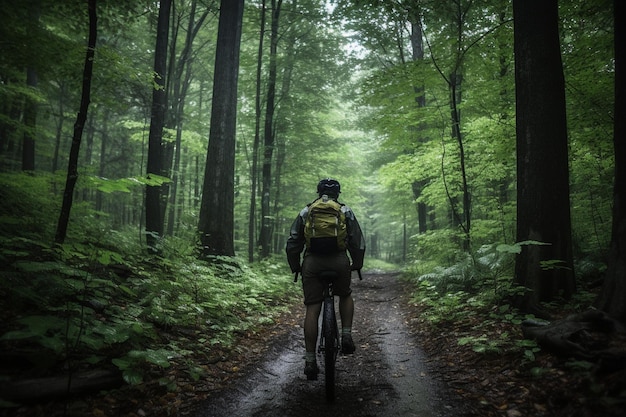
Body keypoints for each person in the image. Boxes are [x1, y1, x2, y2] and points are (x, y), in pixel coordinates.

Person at [286, 178, 366, 380]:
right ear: (337, 193)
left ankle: (310, 360)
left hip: (312, 263)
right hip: (339, 262)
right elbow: (357, 240)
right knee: (345, 294)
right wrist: (357, 263)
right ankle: (346, 334)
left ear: (318, 191)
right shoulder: (345, 210)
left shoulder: (307, 211)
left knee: (313, 308)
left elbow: (293, 241)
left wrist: (295, 266)